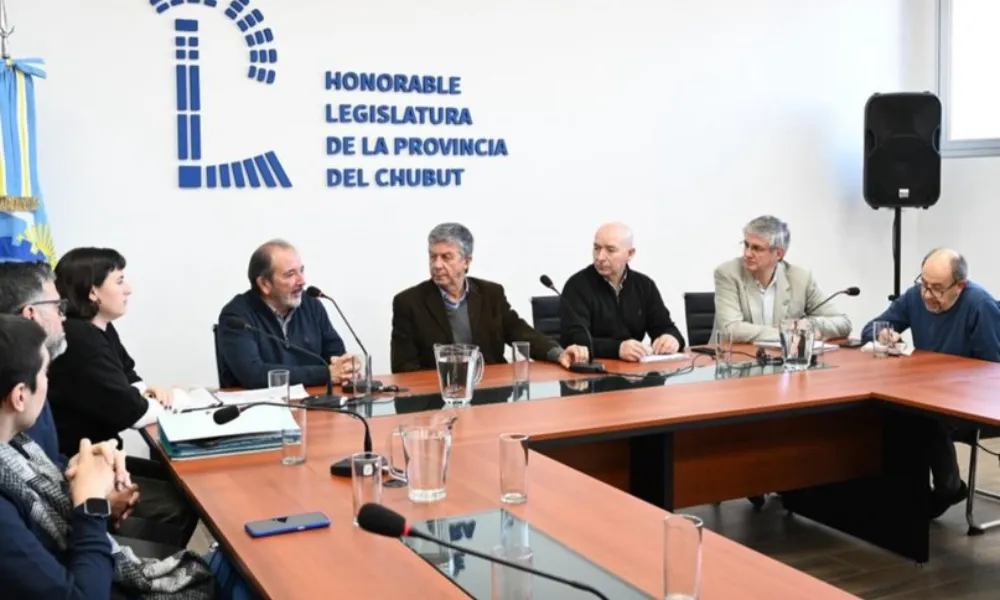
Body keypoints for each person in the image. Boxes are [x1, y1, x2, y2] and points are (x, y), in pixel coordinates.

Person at [0, 315, 255, 600]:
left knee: (241, 564)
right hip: (107, 586)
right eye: (46, 374)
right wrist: (92, 505)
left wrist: (94, 484)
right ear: (20, 396)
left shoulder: (17, 446)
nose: (49, 384)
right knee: (248, 577)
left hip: (107, 571)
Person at [47, 247, 198, 547]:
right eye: (119, 281)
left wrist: (148, 394)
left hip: (102, 458)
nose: (128, 289)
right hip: (78, 467)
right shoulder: (79, 338)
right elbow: (134, 412)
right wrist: (181, 399)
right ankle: (141, 565)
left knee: (182, 481)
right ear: (93, 291)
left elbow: (132, 380)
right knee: (180, 501)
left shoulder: (99, 327)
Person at [861, 248, 1000, 519]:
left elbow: (993, 371)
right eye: (924, 284)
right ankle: (900, 497)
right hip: (930, 393)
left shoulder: (980, 305)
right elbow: (871, 329)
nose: (927, 294)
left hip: (972, 404)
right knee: (891, 413)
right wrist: (885, 333)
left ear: (960, 286)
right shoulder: (916, 297)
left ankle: (949, 489)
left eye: (937, 288)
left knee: (923, 419)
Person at [391, 223, 589, 373]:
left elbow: (520, 332)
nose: (437, 265)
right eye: (433, 257)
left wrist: (558, 354)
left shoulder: (491, 294)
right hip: (440, 394)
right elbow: (403, 367)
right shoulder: (409, 303)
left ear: (466, 261)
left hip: (491, 389)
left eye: (446, 257)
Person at [218, 239, 357, 388]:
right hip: (259, 402)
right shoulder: (236, 316)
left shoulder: (311, 305)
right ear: (264, 284)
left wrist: (347, 367)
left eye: (301, 270)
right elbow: (253, 374)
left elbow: (336, 356)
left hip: (314, 399)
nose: (302, 281)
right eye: (290, 274)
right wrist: (325, 374)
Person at [559, 222, 686, 362]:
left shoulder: (644, 285)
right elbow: (575, 340)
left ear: (630, 254)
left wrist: (672, 339)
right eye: (596, 248)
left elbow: (665, 326)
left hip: (635, 370)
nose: (600, 257)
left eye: (610, 250)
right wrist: (617, 348)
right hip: (595, 369)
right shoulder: (577, 285)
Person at [713, 215, 852, 342]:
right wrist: (787, 332)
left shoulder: (800, 278)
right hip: (732, 358)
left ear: (778, 254)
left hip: (781, 358)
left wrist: (810, 325)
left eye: (756, 248)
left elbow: (843, 323)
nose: (747, 254)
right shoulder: (728, 273)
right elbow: (732, 329)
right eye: (746, 245)